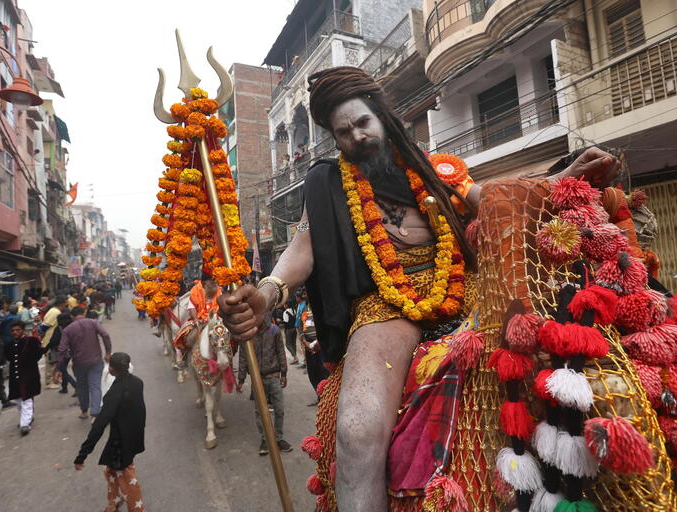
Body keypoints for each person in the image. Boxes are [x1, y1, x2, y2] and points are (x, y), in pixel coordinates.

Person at [217, 66, 620, 509]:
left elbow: (491, 200)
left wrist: (562, 181)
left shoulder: (435, 169)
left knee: (559, 372)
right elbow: (303, 247)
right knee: (356, 431)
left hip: (464, 291)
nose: (357, 137)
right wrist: (269, 291)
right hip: (386, 306)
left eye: (362, 123)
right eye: (343, 132)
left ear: (382, 117)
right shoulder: (328, 184)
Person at [74, 352, 146, 512]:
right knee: (110, 470)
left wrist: (82, 455)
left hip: (121, 443)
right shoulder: (138, 383)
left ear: (112, 370)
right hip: (132, 438)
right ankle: (113, 501)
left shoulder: (115, 392)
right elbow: (141, 412)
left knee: (128, 479)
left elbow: (99, 426)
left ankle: (137, 509)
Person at [237, 318, 291, 456]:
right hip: (257, 379)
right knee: (260, 412)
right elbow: (243, 357)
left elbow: (281, 352)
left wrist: (283, 373)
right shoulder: (247, 334)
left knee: (279, 410)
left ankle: (278, 439)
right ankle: (265, 440)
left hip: (273, 377)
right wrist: (241, 379)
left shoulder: (274, 330)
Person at [58, 307, 112, 419]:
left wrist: (59, 368)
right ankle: (95, 414)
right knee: (95, 387)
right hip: (95, 361)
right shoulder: (93, 323)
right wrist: (108, 353)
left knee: (82, 388)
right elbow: (105, 335)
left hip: (79, 363)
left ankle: (84, 412)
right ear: (84, 313)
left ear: (72, 316)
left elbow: (62, 350)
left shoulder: (67, 330)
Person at [5, 322, 43, 435]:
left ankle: (25, 424)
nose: (15, 332)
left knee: (27, 398)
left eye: (17, 330)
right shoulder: (8, 345)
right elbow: (8, 357)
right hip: (15, 375)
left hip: (28, 374)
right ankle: (27, 418)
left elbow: (38, 354)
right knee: (18, 399)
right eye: (13, 331)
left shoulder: (31, 341)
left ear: (22, 330)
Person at [299, 302, 329, 405]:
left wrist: (318, 342)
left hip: (320, 345)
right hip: (309, 347)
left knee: (323, 371)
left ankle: (327, 398)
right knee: (312, 372)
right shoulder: (304, 309)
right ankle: (319, 396)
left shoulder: (321, 307)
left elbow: (327, 327)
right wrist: (304, 341)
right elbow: (300, 327)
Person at [41, 295, 67, 390]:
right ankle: (49, 382)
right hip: (50, 339)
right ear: (62, 304)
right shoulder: (54, 312)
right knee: (50, 362)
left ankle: (54, 379)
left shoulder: (55, 311)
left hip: (53, 339)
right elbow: (44, 326)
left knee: (54, 361)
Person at [51, 313, 77, 395]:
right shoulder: (72, 327)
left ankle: (76, 386)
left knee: (63, 370)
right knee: (63, 369)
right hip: (70, 352)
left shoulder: (59, 329)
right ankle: (64, 388)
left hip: (60, 352)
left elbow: (53, 341)